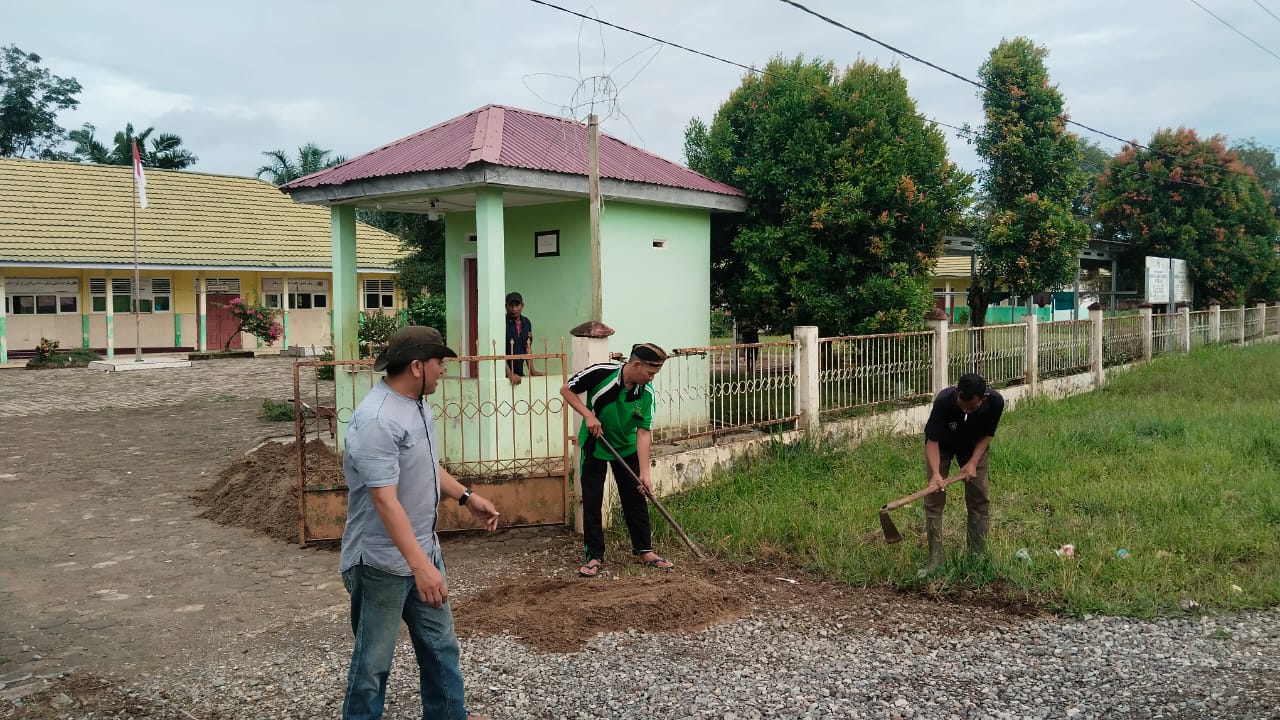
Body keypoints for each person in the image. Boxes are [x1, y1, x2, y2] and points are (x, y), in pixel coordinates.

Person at [339, 325, 500, 720]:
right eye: (439, 363)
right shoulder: (377, 420)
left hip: (421, 554)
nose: (444, 370)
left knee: (441, 646)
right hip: (381, 564)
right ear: (416, 366)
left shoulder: (415, 404)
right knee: (372, 666)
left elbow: (425, 466)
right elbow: (384, 501)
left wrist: (465, 496)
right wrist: (420, 567)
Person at [560, 342, 675, 578]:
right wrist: (589, 416)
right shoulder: (600, 373)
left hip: (626, 447)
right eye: (650, 373)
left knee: (636, 497)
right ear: (635, 364)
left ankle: (645, 551)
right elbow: (566, 390)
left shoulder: (646, 394)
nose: (652, 379)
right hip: (596, 443)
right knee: (593, 500)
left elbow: (643, 433)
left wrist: (645, 473)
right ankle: (594, 556)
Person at [919, 372, 1005, 577]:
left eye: (971, 407)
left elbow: (987, 435)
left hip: (973, 446)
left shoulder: (995, 402)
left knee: (979, 498)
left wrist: (973, 463)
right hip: (943, 446)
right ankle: (935, 560)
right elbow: (932, 441)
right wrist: (935, 475)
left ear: (983, 398)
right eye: (962, 403)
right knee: (934, 497)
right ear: (957, 392)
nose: (965, 409)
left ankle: (976, 557)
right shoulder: (943, 401)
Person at [504, 291, 542, 385]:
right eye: (511, 305)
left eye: (517, 305)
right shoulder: (502, 323)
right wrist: (509, 374)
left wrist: (532, 371)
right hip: (503, 376)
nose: (514, 309)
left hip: (519, 374)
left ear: (522, 306)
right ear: (506, 306)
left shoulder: (526, 323)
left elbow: (527, 347)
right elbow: (499, 352)